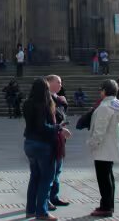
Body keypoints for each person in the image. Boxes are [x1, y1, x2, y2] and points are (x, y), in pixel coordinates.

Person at [23, 78, 72, 220]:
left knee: (34, 177)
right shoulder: (44, 104)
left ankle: (31, 210)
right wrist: (59, 128)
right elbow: (43, 127)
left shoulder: (27, 103)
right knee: (46, 179)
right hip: (43, 145)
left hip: (29, 144)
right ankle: (42, 212)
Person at [87, 79, 119, 217]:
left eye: (101, 89)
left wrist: (93, 143)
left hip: (103, 148)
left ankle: (105, 207)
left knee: (104, 178)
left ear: (104, 91)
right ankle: (108, 205)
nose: (100, 92)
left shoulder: (105, 106)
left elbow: (100, 129)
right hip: (111, 145)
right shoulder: (117, 103)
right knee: (108, 177)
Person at [46, 74, 71, 209]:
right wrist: (60, 130)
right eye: (58, 82)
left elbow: (61, 115)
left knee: (57, 170)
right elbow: (50, 120)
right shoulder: (46, 99)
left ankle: (53, 197)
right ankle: (47, 198)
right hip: (52, 138)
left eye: (61, 83)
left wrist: (63, 103)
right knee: (51, 171)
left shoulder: (57, 98)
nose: (61, 85)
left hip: (59, 138)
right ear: (49, 83)